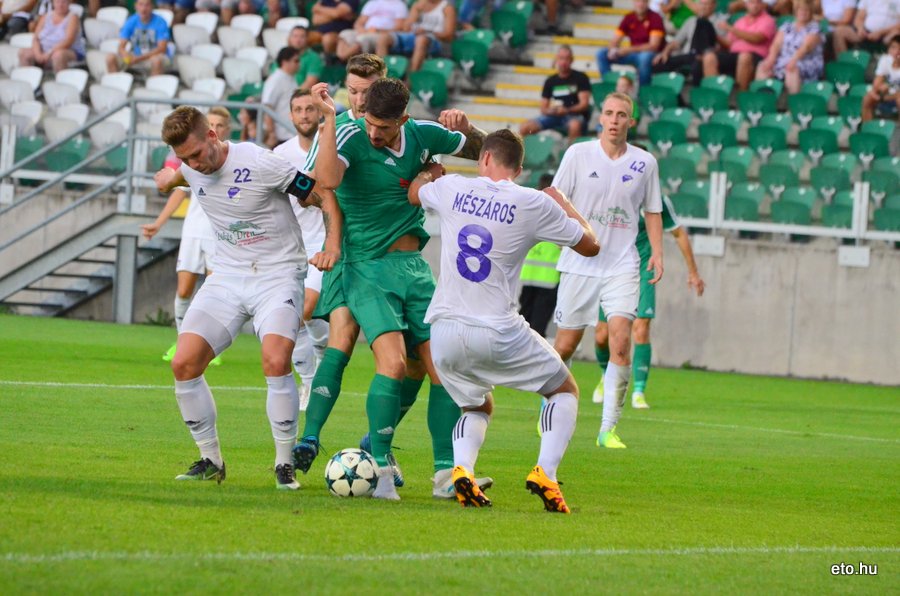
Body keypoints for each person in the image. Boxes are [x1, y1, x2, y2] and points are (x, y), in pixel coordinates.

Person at [303, 78, 488, 501]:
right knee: (392, 363)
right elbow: (326, 180)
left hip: (413, 268)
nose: (374, 133)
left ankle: (445, 472)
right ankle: (382, 467)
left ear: (402, 120)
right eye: (369, 123)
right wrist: (330, 119)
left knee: (441, 366)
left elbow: (486, 151)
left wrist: (467, 126)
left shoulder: (423, 134)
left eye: (383, 128)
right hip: (366, 267)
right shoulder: (349, 134)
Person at [407, 129, 600, 512]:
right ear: (520, 168)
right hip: (497, 328)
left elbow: (414, 193)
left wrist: (430, 172)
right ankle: (545, 472)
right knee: (564, 390)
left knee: (477, 406)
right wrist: (563, 202)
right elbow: (591, 245)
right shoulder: (532, 202)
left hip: (443, 330)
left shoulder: (454, 189)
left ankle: (462, 469)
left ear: (485, 159)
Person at [153, 106, 339, 491]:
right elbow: (173, 178)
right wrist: (165, 181)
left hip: (278, 275)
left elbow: (319, 194)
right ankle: (210, 459)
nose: (193, 164)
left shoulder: (258, 162)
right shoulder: (189, 168)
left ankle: (283, 465)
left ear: (214, 137)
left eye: (197, 154)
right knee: (184, 364)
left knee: (274, 360)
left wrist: (335, 242)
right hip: (228, 278)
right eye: (185, 159)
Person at [550, 92, 663, 450]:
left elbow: (653, 212)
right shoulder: (578, 154)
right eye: (610, 113)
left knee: (620, 340)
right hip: (580, 263)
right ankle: (548, 409)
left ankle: (608, 429)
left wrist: (657, 253)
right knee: (565, 344)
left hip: (622, 265)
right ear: (600, 118)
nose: (615, 120)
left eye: (622, 115)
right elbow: (555, 195)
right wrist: (568, 231)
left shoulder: (645, 163)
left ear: (632, 121)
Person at [592, 195, 705, 409]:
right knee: (601, 334)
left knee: (641, 328)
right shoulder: (612, 193)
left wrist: (693, 273)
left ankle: (638, 391)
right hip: (611, 271)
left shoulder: (658, 200)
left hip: (644, 269)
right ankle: (605, 376)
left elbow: (679, 233)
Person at [141, 107, 232, 366]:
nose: (216, 126)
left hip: (219, 235)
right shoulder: (194, 163)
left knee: (215, 292)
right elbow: (179, 190)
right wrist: (159, 223)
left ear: (223, 130)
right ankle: (184, 342)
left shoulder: (230, 160)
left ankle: (212, 345)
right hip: (193, 232)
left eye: (220, 124)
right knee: (184, 290)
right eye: (211, 121)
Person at [274, 89, 331, 410]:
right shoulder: (280, 154)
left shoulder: (331, 148)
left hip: (324, 244)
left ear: (319, 113)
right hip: (290, 247)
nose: (305, 114)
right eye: (298, 109)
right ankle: (309, 380)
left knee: (304, 310)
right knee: (293, 318)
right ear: (291, 115)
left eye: (310, 108)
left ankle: (318, 361)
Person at [519, 46, 592, 144]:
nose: (564, 62)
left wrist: (567, 110)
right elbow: (543, 108)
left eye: (567, 58)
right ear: (556, 59)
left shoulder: (581, 77)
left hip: (574, 115)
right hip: (554, 116)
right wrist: (552, 111)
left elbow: (584, 105)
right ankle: (522, 157)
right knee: (525, 127)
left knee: (574, 125)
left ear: (572, 60)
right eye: (561, 58)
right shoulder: (550, 81)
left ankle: (570, 157)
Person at [701, 0, 776, 91]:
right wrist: (714, 35)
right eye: (752, 2)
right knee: (709, 57)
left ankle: (741, 94)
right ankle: (715, 95)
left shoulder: (768, 20)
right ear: (746, 5)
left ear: (762, 4)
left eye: (758, 2)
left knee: (744, 56)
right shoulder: (740, 21)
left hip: (756, 56)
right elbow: (729, 44)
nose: (755, 5)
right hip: (735, 54)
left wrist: (731, 29)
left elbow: (757, 38)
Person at [754, 0, 824, 95]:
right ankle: (762, 102)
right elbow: (776, 44)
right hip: (784, 60)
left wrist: (793, 60)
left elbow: (806, 47)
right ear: (796, 11)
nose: (803, 12)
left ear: (811, 12)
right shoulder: (787, 26)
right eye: (800, 10)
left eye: (806, 10)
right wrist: (771, 59)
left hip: (806, 62)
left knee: (792, 68)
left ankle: (793, 104)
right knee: (763, 66)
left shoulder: (815, 28)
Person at [596, 0, 666, 87]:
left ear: (648, 3)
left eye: (643, 2)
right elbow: (615, 40)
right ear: (633, 2)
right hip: (632, 54)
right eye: (638, 1)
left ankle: (642, 92)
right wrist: (613, 49)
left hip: (652, 54)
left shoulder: (655, 18)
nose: (640, 4)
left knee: (644, 57)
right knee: (601, 53)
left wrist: (628, 50)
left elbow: (654, 46)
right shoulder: (629, 17)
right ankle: (609, 87)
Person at [652, 0, 723, 85]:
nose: (704, 7)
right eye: (702, 4)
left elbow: (722, 45)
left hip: (703, 57)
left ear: (714, 5)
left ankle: (697, 95)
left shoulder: (720, 22)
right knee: (659, 64)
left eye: (707, 4)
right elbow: (676, 41)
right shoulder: (691, 20)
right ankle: (672, 96)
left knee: (697, 66)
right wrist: (665, 52)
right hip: (688, 55)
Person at [381, 0, 456, 73]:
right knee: (384, 38)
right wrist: (416, 10)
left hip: (436, 41)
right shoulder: (420, 5)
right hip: (414, 37)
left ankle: (410, 80)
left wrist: (427, 31)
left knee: (421, 40)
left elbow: (449, 35)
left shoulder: (447, 7)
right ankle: (381, 76)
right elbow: (405, 28)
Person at [106, 0, 172, 77]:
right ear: (136, 6)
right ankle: (115, 85)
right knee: (110, 57)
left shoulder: (160, 22)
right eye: (141, 4)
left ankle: (154, 86)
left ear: (152, 7)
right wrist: (125, 54)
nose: (143, 9)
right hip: (135, 55)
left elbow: (162, 49)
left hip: (153, 56)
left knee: (156, 60)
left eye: (147, 5)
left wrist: (139, 58)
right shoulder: (131, 20)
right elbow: (121, 46)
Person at [17, 0, 84, 72]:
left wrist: (49, 53)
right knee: (24, 53)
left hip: (67, 50)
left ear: (69, 3)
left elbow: (68, 41)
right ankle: (28, 79)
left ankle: (61, 80)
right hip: (44, 49)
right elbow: (36, 38)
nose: (60, 5)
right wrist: (38, 54)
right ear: (53, 3)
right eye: (58, 2)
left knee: (58, 55)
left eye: (64, 2)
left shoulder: (73, 17)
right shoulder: (46, 16)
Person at [336, 0, 408, 62]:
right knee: (344, 34)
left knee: (363, 39)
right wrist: (361, 29)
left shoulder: (400, 5)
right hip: (366, 31)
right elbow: (358, 23)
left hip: (383, 33)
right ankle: (341, 58)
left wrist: (377, 31)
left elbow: (399, 27)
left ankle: (340, 59)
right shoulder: (372, 3)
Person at [263, 47, 302, 146]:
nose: (299, 64)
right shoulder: (275, 80)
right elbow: (267, 107)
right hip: (280, 136)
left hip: (290, 133)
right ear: (285, 62)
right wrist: (271, 133)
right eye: (296, 61)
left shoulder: (291, 78)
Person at [832, 0, 900, 55]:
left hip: (888, 34)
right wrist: (860, 29)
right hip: (866, 32)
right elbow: (859, 18)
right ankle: (844, 62)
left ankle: (891, 67)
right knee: (839, 31)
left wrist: (880, 32)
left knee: (897, 35)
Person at [862, 35, 900, 121]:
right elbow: (876, 85)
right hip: (889, 95)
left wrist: (885, 95)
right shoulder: (885, 60)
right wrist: (877, 92)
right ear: (889, 49)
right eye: (894, 48)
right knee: (868, 98)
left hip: (894, 96)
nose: (897, 52)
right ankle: (868, 130)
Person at [282, 25, 324, 91]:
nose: (298, 40)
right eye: (295, 36)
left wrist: (291, 97)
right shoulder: (283, 55)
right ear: (289, 39)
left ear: (307, 39)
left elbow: (310, 83)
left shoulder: (314, 57)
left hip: (300, 96)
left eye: (302, 36)